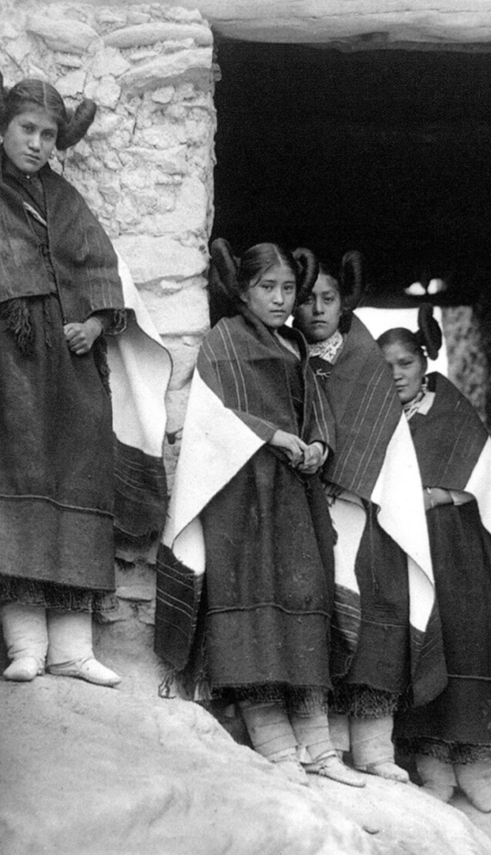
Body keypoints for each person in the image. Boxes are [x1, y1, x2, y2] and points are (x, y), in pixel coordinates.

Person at [0, 66, 170, 686]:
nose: (37, 143)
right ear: (3, 127)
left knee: (77, 486)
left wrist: (94, 326)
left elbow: (103, 274)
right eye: (27, 129)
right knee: (14, 483)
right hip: (7, 366)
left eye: (48, 134)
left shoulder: (67, 201)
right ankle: (25, 644)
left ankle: (71, 647)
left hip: (69, 373)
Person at [154, 239, 364, 787]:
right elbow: (209, 416)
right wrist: (270, 434)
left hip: (294, 493)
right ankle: (277, 748)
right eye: (267, 288)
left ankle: (319, 750)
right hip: (242, 494)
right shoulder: (224, 341)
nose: (280, 299)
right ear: (242, 290)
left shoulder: (295, 344)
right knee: (252, 605)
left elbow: (317, 409)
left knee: (303, 596)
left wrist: (318, 443)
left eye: (288, 289)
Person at [378, 322, 491, 812]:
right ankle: (434, 768)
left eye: (406, 363)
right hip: (407, 551)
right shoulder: (377, 417)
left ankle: (476, 768)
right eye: (385, 368)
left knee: (470, 641)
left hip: (459, 547)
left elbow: (485, 477)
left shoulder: (449, 409)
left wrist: (438, 494)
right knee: (425, 643)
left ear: (424, 362)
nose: (397, 375)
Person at [293, 253, 437, 782]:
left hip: (369, 509)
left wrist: (352, 484)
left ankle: (374, 749)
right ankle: (327, 747)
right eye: (306, 299)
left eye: (328, 299)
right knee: (322, 616)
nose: (316, 310)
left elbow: (385, 439)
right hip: (307, 512)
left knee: (378, 616)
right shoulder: (286, 355)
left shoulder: (365, 363)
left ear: (343, 302)